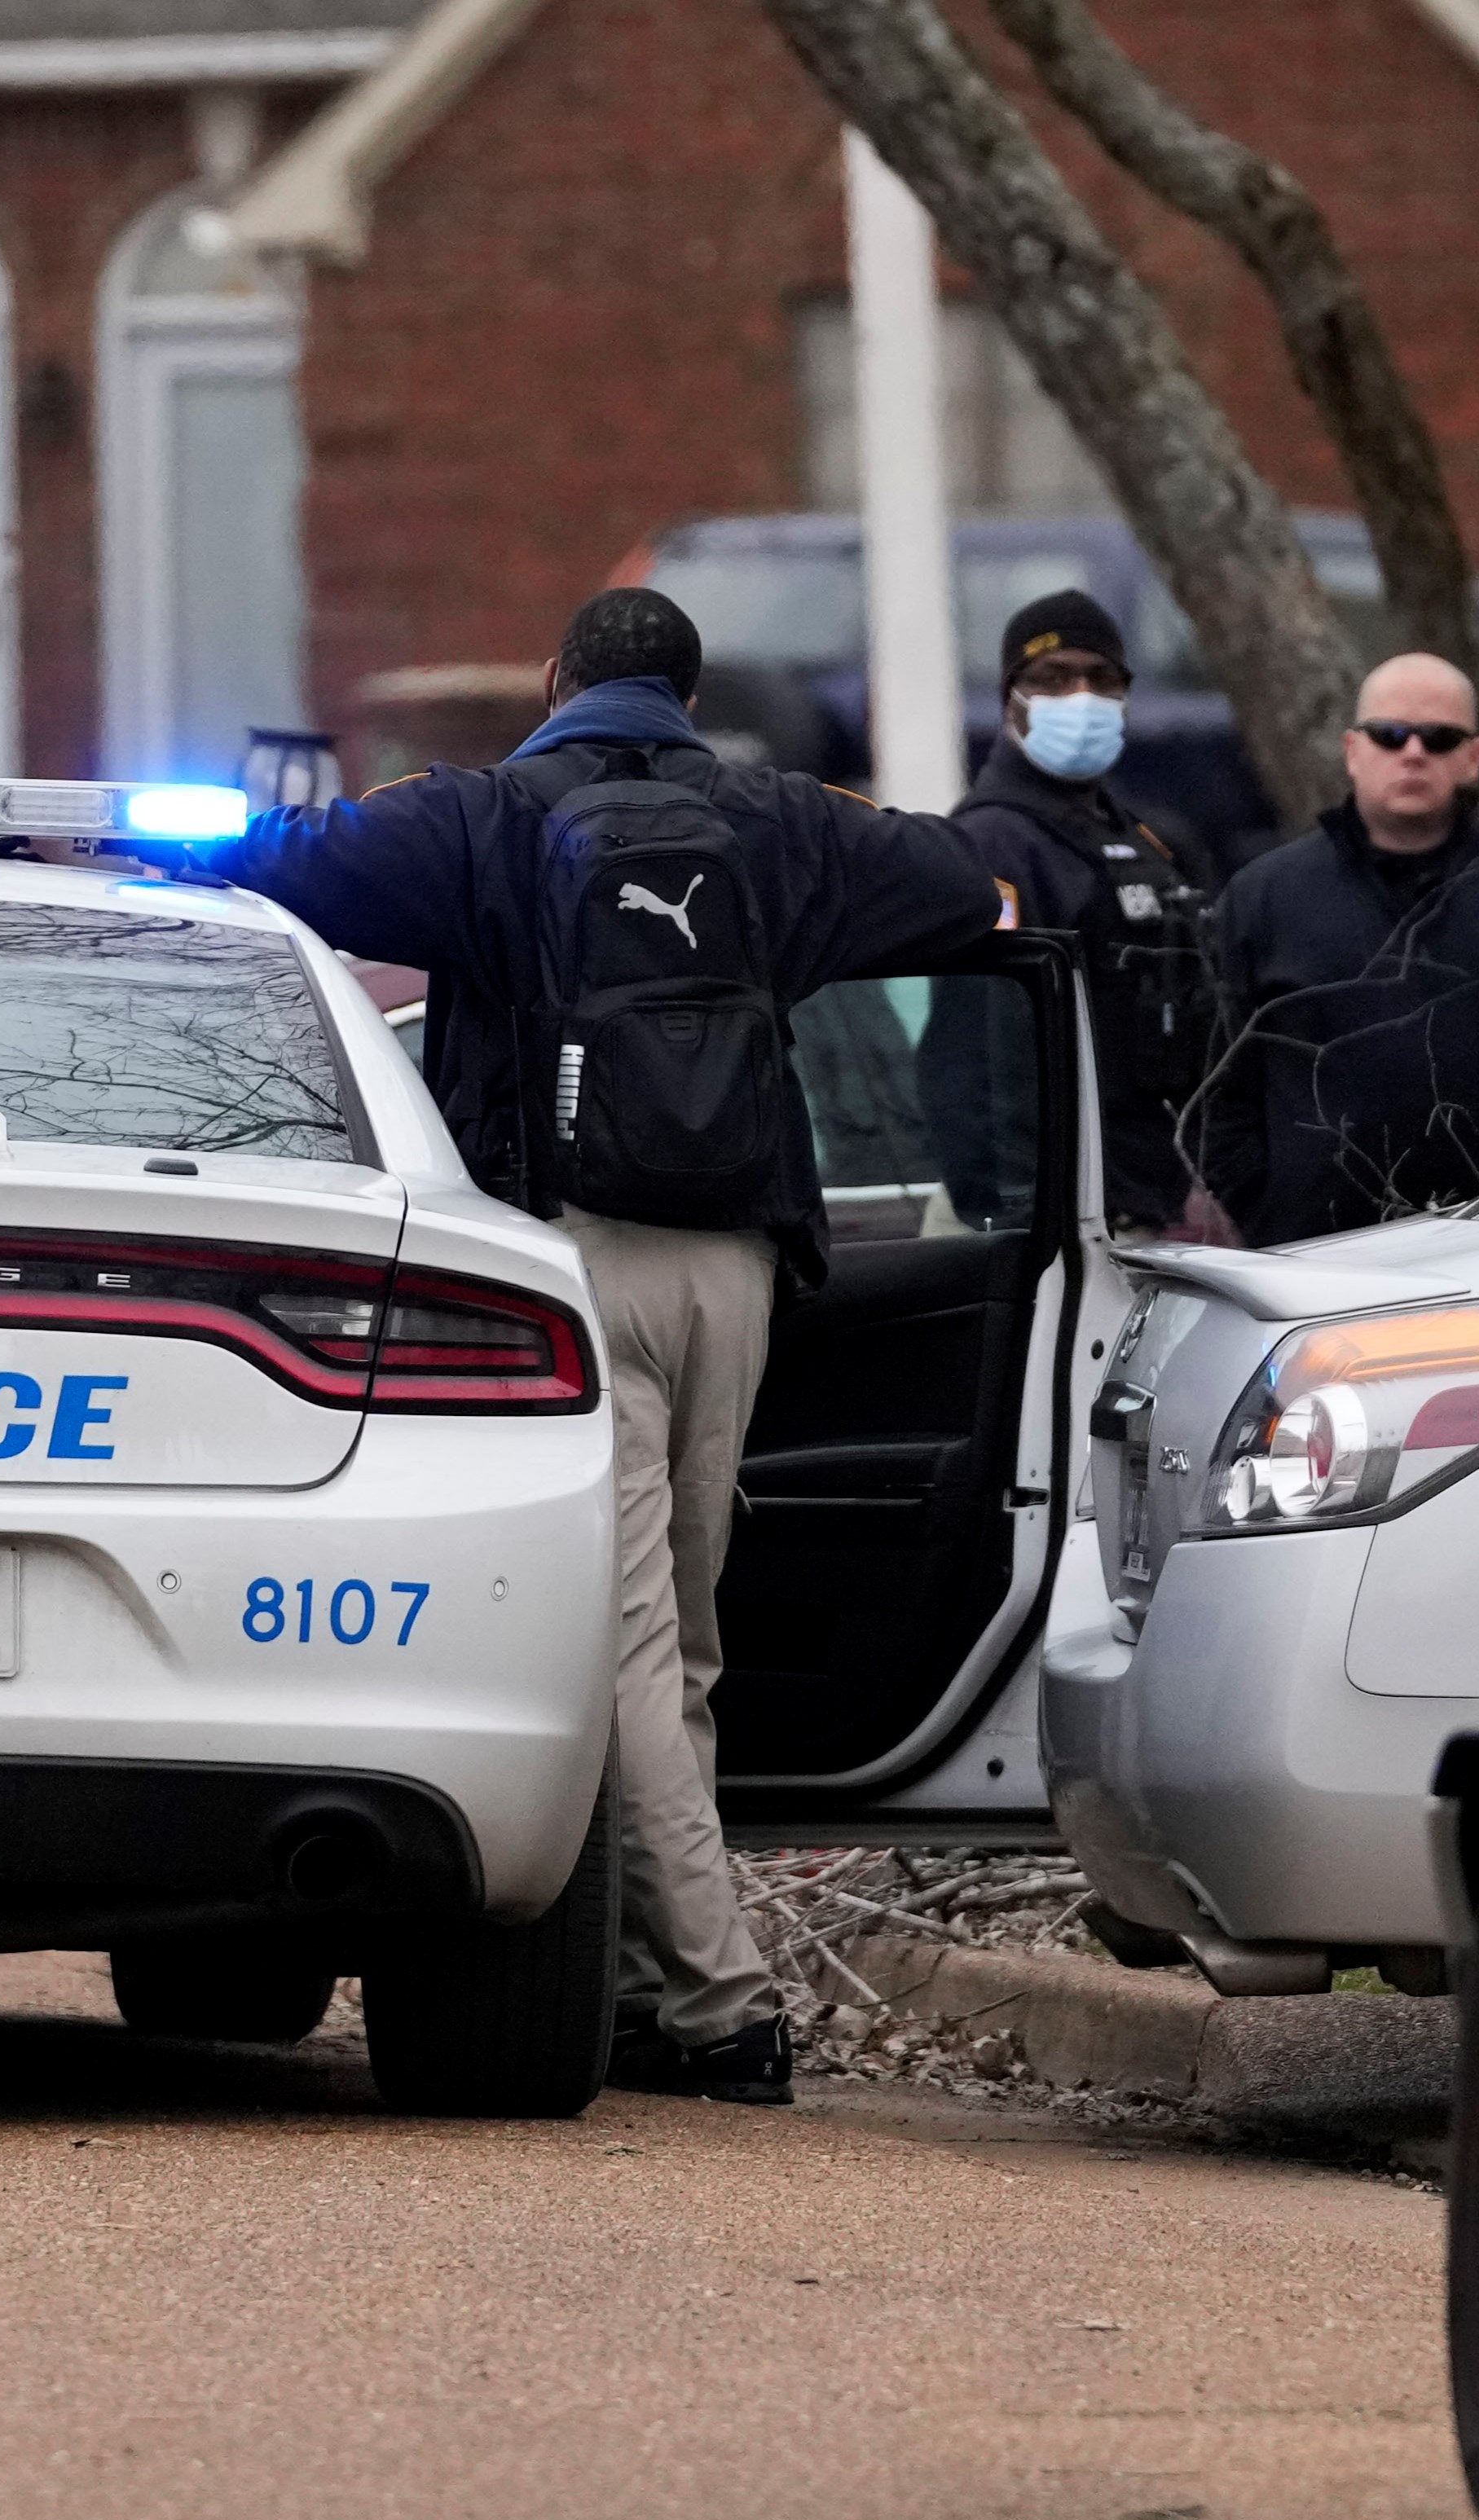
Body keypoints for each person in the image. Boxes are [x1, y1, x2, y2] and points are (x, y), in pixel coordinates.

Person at [218, 588, 1001, 2104]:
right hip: (741, 1269)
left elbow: (274, 872)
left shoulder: (482, 817)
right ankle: (647, 1984)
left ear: (560, 679)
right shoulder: (781, 823)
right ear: (688, 698)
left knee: (628, 1640)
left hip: (561, 1268)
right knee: (680, 1638)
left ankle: (718, 2003)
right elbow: (965, 891)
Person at [1201, 655, 1479, 1246]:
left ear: (1474, 759)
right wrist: (1270, 1209)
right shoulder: (1263, 900)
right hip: (1314, 1265)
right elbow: (1213, 1083)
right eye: (1390, 735)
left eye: (1440, 737)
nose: (1414, 752)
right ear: (1352, 750)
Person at [948, 589, 1212, 1235]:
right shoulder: (992, 844)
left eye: (1101, 678)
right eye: (1053, 678)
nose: (1081, 697)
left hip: (1157, 1199)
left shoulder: (1144, 839)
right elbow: (985, 1056)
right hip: (1068, 1218)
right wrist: (1020, 1211)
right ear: (1012, 695)